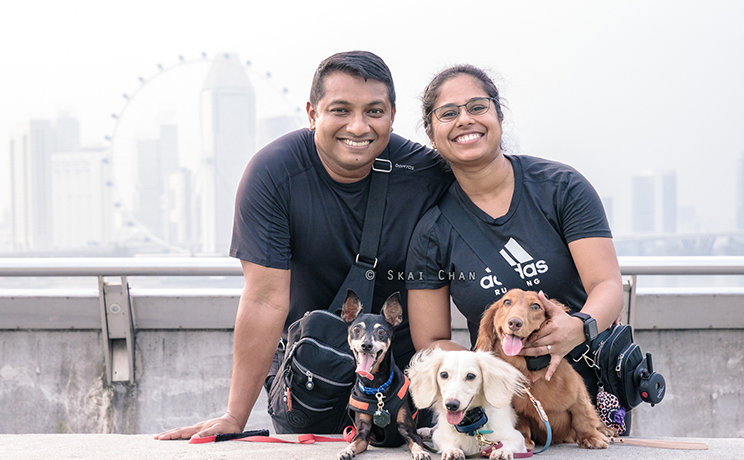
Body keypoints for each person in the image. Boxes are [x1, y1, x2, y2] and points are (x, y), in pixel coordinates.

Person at [155, 51, 453, 440]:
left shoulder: (423, 171)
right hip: (310, 379)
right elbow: (264, 300)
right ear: (312, 113)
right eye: (340, 110)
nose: (358, 127)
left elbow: (489, 193)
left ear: (392, 114)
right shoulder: (275, 173)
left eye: (374, 112)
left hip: (399, 382)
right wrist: (235, 415)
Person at [405, 64, 624, 386]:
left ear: (500, 116)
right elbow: (430, 341)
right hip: (506, 405)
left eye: (478, 107)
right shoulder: (432, 232)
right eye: (448, 113)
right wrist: (485, 371)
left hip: (590, 392)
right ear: (431, 133)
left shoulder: (561, 188)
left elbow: (606, 284)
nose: (465, 119)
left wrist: (578, 327)